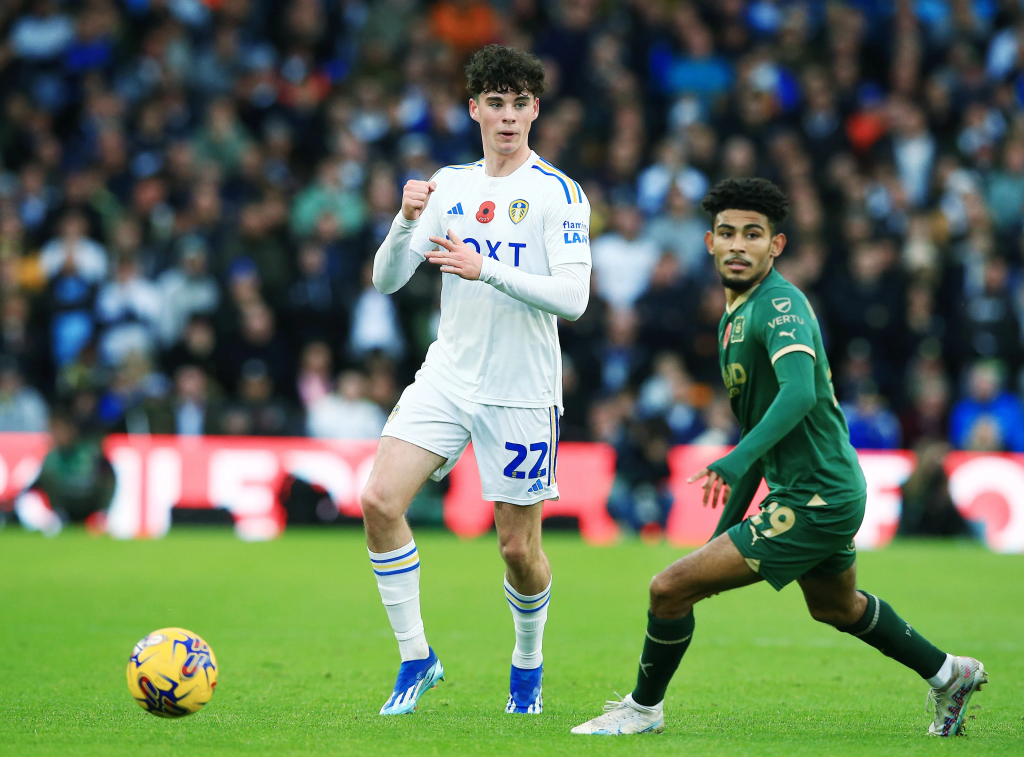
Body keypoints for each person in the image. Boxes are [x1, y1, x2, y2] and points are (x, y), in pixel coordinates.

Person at [572, 178, 985, 738]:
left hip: (816, 496)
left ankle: (642, 710)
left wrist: (735, 460)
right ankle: (950, 674)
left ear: (776, 245)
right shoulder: (732, 318)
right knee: (837, 608)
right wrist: (720, 531)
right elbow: (759, 429)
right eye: (727, 233)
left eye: (753, 234)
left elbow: (799, 393)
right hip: (820, 489)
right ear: (709, 243)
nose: (738, 245)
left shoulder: (781, 306)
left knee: (667, 588)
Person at [363, 44, 591, 717]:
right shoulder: (450, 186)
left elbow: (574, 298)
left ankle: (527, 663)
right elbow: (386, 280)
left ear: (536, 110)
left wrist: (484, 267)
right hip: (449, 375)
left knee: (518, 549)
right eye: (496, 102)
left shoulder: (558, 193)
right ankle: (416, 657)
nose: (508, 116)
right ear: (474, 109)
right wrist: (406, 220)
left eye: (519, 103)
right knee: (379, 500)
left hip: (521, 390)